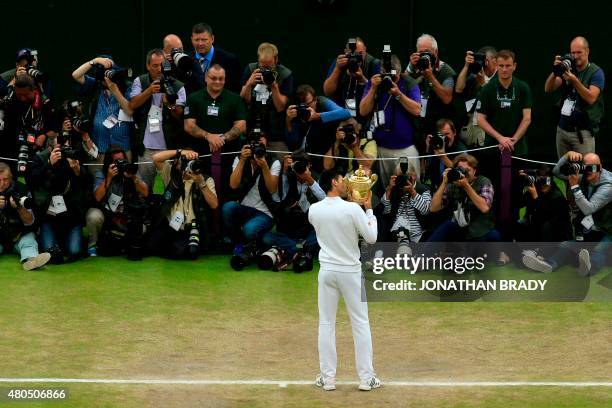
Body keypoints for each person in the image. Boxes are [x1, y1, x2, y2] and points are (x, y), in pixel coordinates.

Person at [308, 170, 381, 391]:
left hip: (327, 272)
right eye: (342, 180)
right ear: (333, 182)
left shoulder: (313, 210)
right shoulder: (352, 209)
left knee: (326, 323)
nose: (345, 183)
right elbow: (371, 237)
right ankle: (366, 378)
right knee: (360, 323)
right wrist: (368, 210)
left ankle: (327, 378)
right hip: (349, 272)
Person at [523, 151, 611, 276]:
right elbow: (556, 172)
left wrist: (574, 187)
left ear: (600, 168)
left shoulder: (608, 185)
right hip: (596, 226)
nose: (589, 171)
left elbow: (589, 209)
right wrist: (567, 155)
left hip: (609, 229)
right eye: (585, 168)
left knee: (599, 250)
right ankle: (548, 265)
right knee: (566, 245)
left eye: (593, 168)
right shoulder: (586, 177)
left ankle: (587, 268)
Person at [476, 49, 532, 240]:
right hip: (493, 149)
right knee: (494, 193)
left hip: (517, 150)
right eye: (501, 66)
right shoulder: (488, 88)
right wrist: (500, 138)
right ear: (496, 65)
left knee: (515, 194)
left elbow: (527, 118)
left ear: (514, 66)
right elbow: (480, 119)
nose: (504, 69)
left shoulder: (522, 87)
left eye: (508, 66)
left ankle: (512, 237)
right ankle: (493, 235)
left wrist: (513, 139)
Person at [184, 63, 247, 202]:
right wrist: (208, 136)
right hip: (201, 157)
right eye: (214, 78)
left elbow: (241, 125)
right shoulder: (194, 98)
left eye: (221, 78)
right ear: (206, 78)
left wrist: (222, 138)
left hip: (228, 157)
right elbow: (189, 126)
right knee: (200, 196)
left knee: (228, 195)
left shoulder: (235, 99)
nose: (218, 81)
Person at [360, 54, 421, 189]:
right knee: (385, 188)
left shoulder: (408, 82)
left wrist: (398, 94)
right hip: (381, 148)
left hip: (405, 148)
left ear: (399, 73)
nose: (390, 79)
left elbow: (417, 110)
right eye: (385, 75)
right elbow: (363, 111)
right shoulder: (374, 83)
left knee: (409, 187)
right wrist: (373, 89)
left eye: (394, 75)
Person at [28, 137, 91, 263]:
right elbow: (32, 182)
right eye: (61, 148)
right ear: (51, 148)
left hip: (71, 216)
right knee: (50, 252)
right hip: (49, 216)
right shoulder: (40, 158)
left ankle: (73, 240)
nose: (64, 151)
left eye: (67, 147)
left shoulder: (74, 156)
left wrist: (78, 171)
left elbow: (88, 184)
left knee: (74, 251)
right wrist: (49, 164)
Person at [130, 48, 186, 190]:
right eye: (155, 65)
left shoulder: (177, 85)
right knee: (145, 187)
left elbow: (180, 116)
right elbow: (132, 105)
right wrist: (149, 91)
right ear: (148, 66)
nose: (159, 69)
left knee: (168, 187)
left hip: (168, 147)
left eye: (162, 65)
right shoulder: (140, 81)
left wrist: (169, 104)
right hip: (146, 147)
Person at [149, 149, 219, 259]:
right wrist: (181, 152)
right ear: (177, 162)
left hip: (193, 228)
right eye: (185, 160)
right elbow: (156, 158)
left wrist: (201, 184)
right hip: (172, 227)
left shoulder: (205, 179)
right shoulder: (171, 174)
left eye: (191, 161)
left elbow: (214, 204)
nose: (188, 165)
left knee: (183, 250)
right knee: (152, 244)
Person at [544, 37, 604, 158]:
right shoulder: (569, 67)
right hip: (562, 129)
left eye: (579, 52)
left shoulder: (596, 72)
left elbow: (591, 98)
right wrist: (556, 71)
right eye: (573, 52)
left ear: (587, 51)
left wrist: (574, 81)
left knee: (585, 172)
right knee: (563, 170)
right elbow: (548, 89)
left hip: (583, 133)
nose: (575, 56)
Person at [261, 153, 325, 268]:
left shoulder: (316, 177)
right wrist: (285, 171)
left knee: (322, 235)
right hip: (287, 227)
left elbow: (325, 200)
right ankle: (299, 249)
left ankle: (291, 249)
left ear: (309, 165)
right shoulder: (288, 176)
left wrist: (309, 179)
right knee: (266, 237)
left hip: (307, 228)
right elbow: (277, 198)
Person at [223, 134, 280, 255]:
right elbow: (233, 185)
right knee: (228, 207)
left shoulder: (273, 162)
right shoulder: (240, 159)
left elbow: (272, 189)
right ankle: (239, 243)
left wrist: (264, 167)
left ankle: (259, 239)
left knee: (249, 230)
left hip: (265, 212)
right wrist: (242, 160)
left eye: (261, 146)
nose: (258, 149)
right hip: (245, 208)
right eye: (255, 145)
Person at [71, 55, 134, 166]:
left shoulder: (126, 86)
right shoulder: (96, 85)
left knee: (125, 179)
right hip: (100, 148)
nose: (108, 76)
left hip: (122, 148)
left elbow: (129, 111)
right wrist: (94, 61)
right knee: (100, 180)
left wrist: (114, 89)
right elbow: (76, 75)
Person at [86, 149, 148, 257]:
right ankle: (92, 245)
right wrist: (109, 177)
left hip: (125, 213)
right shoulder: (101, 173)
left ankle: (124, 244)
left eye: (123, 160)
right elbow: (97, 197)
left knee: (142, 228)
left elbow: (145, 193)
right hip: (106, 213)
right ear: (109, 163)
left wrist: (133, 177)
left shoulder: (131, 172)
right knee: (93, 216)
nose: (121, 163)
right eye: (117, 161)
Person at [428, 154, 500, 242]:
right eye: (460, 170)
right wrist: (444, 182)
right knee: (447, 225)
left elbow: (484, 207)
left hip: (480, 231)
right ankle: (424, 254)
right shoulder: (452, 185)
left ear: (474, 171)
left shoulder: (484, 182)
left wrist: (466, 186)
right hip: (460, 231)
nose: (464, 173)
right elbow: (433, 208)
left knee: (494, 235)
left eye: (467, 170)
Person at [240, 42, 293, 154]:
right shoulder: (251, 69)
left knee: (277, 163)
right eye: (263, 66)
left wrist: (274, 86)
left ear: (276, 59)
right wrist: (249, 84)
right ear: (258, 60)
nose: (265, 69)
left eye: (269, 66)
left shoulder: (285, 74)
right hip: (251, 128)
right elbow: (245, 99)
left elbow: (280, 107)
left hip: (275, 133)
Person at [286, 85, 351, 174]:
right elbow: (292, 141)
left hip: (328, 153)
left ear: (315, 99)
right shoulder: (296, 113)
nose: (307, 108)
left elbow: (346, 113)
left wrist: (318, 116)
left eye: (309, 104)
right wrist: (288, 120)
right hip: (306, 156)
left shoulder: (322, 102)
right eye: (303, 106)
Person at [0, 162, 51, 270]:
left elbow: (30, 221)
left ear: (11, 177)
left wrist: (19, 208)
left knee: (29, 240)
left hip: (19, 235)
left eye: (5, 180)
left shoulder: (22, 189)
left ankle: (32, 261)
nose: (1, 184)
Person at [406, 34, 456, 136]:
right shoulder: (415, 68)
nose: (424, 55)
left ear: (436, 52)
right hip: (417, 125)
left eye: (427, 52)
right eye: (421, 52)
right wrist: (410, 67)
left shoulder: (446, 71)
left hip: (438, 124)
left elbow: (447, 98)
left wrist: (430, 77)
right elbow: (402, 86)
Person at [323, 37, 380, 123]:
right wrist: (337, 69)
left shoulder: (374, 64)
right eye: (352, 54)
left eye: (360, 54)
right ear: (345, 52)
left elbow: (378, 94)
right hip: (343, 114)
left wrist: (362, 79)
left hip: (366, 115)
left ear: (365, 49)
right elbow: (327, 91)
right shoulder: (340, 63)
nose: (356, 58)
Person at [455, 47, 498, 147]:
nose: (484, 64)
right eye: (482, 60)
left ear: (495, 61)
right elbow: (458, 89)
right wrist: (466, 66)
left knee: (499, 161)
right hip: (472, 125)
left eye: (486, 60)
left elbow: (495, 101)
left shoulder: (500, 78)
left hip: (490, 127)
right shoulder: (476, 75)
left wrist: (483, 84)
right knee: (471, 159)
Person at [380, 163, 431, 244]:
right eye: (399, 177)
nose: (402, 180)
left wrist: (413, 192)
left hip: (417, 233)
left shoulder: (423, 190)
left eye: (404, 176)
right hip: (397, 231)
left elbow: (425, 210)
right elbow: (385, 211)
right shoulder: (394, 189)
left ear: (413, 176)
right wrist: (389, 189)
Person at [186, 22, 241, 94]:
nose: (200, 43)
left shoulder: (229, 60)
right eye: (196, 40)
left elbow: (235, 90)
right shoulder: (186, 60)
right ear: (191, 40)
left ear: (212, 39)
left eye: (204, 40)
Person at [423, 118, 468, 189]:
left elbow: (463, 173)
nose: (444, 138)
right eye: (442, 135)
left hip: (453, 188)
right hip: (435, 186)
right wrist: (427, 148)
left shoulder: (461, 150)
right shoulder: (436, 145)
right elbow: (425, 169)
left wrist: (443, 156)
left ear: (454, 132)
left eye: (447, 134)